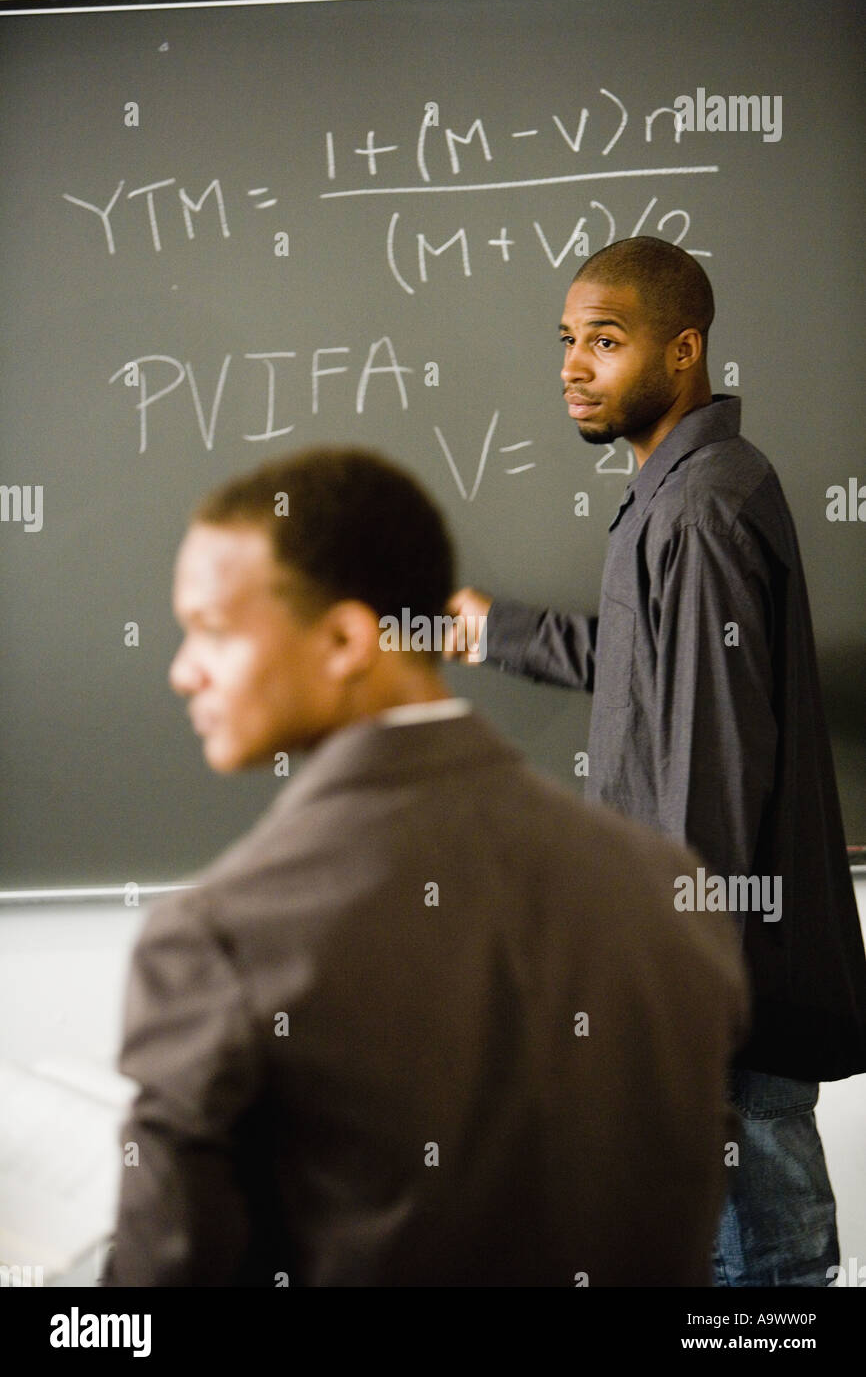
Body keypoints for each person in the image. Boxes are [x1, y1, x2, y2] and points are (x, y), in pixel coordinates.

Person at [104, 445, 747, 1287]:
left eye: (212, 631)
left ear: (343, 639)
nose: (181, 671)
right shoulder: (669, 890)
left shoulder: (219, 939)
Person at [448, 236, 866, 1287]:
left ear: (682, 352)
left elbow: (713, 766)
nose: (572, 364)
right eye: (566, 341)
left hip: (718, 989)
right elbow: (643, 665)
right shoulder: (677, 496)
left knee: (763, 1279)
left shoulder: (702, 506)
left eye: (604, 339)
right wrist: (496, 629)